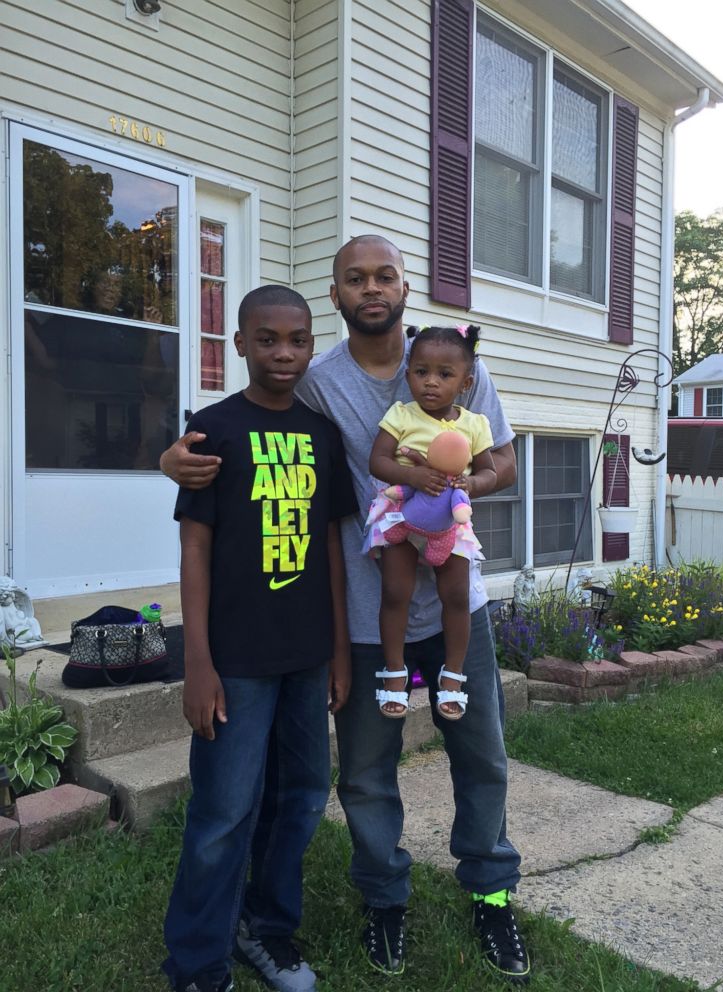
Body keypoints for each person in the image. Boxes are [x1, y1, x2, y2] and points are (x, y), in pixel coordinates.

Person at [161, 236, 531, 986]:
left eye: (384, 276)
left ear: (404, 286)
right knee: (364, 772)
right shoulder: (319, 381)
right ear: (336, 295)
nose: (372, 288)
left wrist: (449, 491)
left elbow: (506, 461)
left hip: (461, 601)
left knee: (482, 754)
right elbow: (241, 428)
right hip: (367, 614)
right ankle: (383, 898)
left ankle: (491, 890)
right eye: (355, 278)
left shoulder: (455, 360)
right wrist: (167, 459)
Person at [161, 284, 358, 992]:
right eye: (267, 339)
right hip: (235, 663)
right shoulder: (211, 429)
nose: (283, 352)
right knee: (223, 813)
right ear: (239, 343)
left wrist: (337, 650)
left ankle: (266, 929)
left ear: (312, 344)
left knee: (301, 796)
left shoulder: (323, 435)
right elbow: (195, 550)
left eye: (297, 339)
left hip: (307, 657)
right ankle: (195, 963)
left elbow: (332, 549)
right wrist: (198, 661)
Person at [365, 323, 498, 720]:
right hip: (403, 516)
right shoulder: (401, 415)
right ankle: (393, 674)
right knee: (395, 592)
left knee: (456, 596)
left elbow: (491, 472)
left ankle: (453, 677)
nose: (431, 383)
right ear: (408, 375)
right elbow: (378, 461)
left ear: (466, 382)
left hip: (449, 524)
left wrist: (470, 483)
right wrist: (413, 476)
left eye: (445, 374)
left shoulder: (474, 424)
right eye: (421, 372)